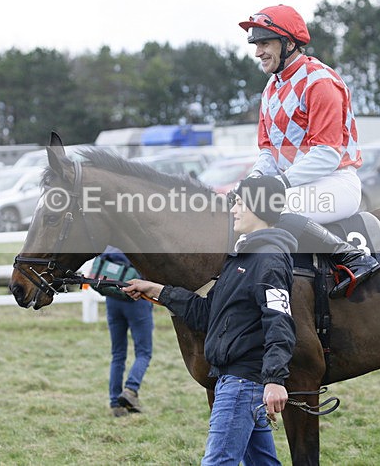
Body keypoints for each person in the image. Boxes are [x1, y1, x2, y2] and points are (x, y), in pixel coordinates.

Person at [124, 176, 297, 465]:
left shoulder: (269, 260)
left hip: (243, 384)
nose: (234, 210)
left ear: (259, 207)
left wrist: (275, 380)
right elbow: (207, 313)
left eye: (240, 203)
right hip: (236, 380)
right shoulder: (240, 258)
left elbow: (280, 322)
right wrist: (156, 290)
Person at [239, 4, 380, 296]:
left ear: (289, 43)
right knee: (244, 207)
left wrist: (277, 184)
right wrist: (253, 181)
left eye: (265, 43)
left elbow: (328, 154)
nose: (258, 52)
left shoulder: (320, 81)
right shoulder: (270, 88)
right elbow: (268, 153)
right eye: (256, 44)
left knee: (272, 209)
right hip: (297, 185)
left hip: (336, 182)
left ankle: (353, 256)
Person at [92, 246, 153, 417]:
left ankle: (115, 403)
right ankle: (130, 390)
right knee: (144, 352)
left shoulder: (108, 246)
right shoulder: (134, 243)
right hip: (136, 301)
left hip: (112, 300)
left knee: (118, 354)